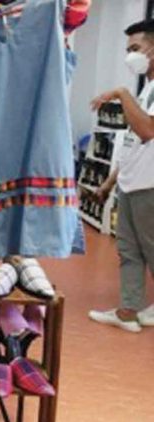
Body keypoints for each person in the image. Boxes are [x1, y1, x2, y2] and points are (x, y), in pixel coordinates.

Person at [88, 19, 154, 332]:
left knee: (150, 250)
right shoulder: (147, 90)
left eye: (135, 49)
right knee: (129, 251)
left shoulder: (136, 93)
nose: (130, 56)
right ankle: (129, 311)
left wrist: (121, 93)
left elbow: (147, 130)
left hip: (151, 186)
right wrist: (109, 183)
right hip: (133, 183)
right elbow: (131, 145)